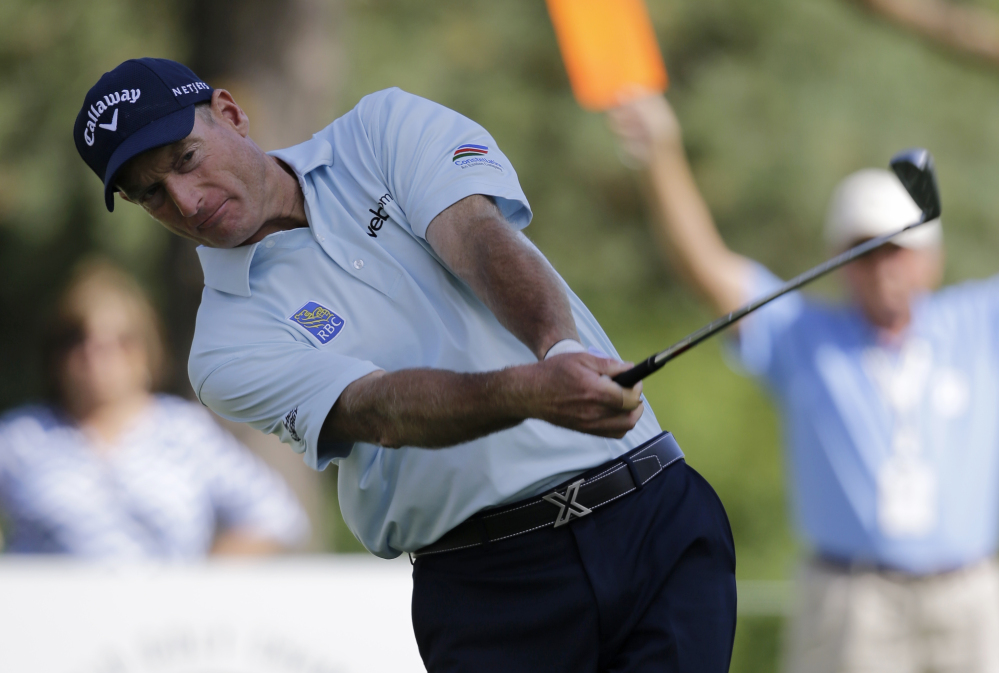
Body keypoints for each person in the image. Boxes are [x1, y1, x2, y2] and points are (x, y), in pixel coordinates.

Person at [73, 58, 736, 671]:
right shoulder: (223, 346)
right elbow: (380, 408)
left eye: (186, 158)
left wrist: (558, 350)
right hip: (491, 589)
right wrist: (534, 391)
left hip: (650, 512)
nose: (185, 201)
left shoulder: (379, 130)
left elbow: (475, 237)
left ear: (231, 113)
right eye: (151, 195)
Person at [610, 94, 999, 672]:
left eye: (899, 249)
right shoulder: (803, 333)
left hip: (971, 595)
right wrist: (661, 153)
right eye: (865, 252)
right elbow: (705, 265)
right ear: (838, 259)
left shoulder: (977, 323)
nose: (884, 267)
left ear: (932, 259)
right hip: (852, 603)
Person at [0, 259, 309, 558]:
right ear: (55, 356)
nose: (96, 356)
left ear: (147, 351)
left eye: (120, 342)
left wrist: (203, 582)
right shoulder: (22, 437)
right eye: (77, 339)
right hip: (49, 610)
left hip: (164, 610)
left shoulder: (184, 430)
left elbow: (276, 514)